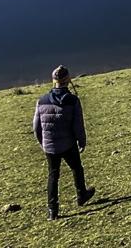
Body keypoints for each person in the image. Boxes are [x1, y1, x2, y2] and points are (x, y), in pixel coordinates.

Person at [33, 65, 96, 220]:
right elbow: (78, 125)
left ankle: (52, 210)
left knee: (53, 175)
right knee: (76, 168)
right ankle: (82, 195)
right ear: (67, 80)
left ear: (53, 81)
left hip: (49, 146)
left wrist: (43, 143)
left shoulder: (41, 101)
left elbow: (36, 127)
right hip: (68, 144)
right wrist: (82, 141)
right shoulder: (73, 100)